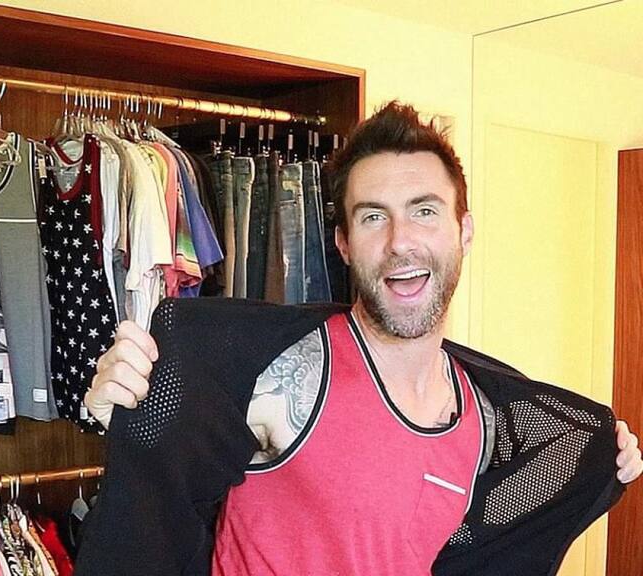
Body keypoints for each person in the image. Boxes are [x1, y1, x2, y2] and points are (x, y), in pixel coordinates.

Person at [77, 101, 643, 575]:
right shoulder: (284, 374)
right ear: (344, 244)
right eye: (374, 217)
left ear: (463, 232)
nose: (400, 241)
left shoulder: (489, 417)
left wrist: (602, 457)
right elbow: (155, 498)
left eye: (424, 211)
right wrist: (124, 409)